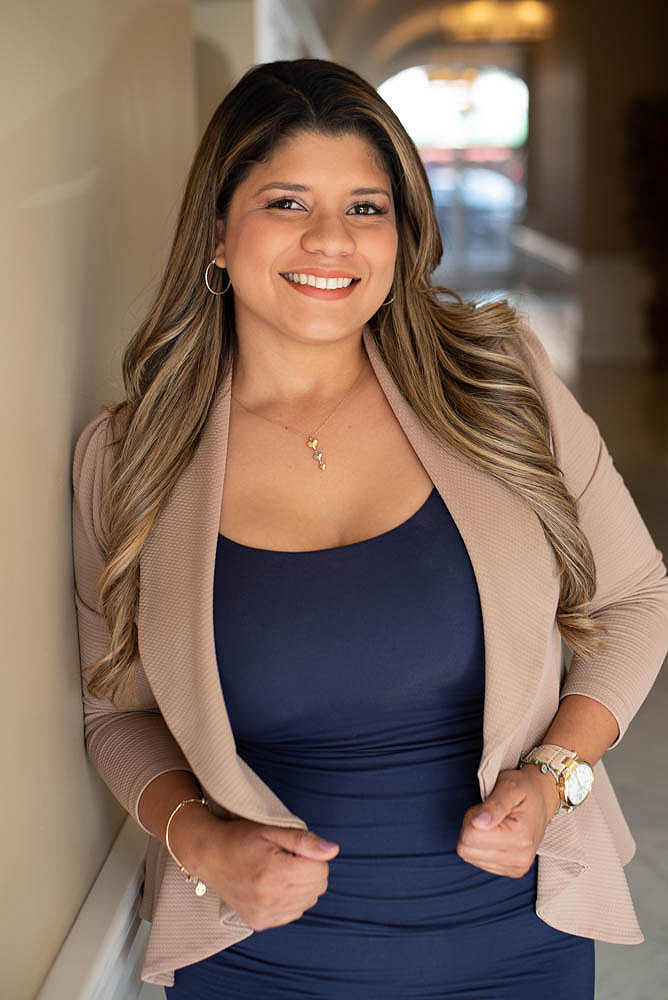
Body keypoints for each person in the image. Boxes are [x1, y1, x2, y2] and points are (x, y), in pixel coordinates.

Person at [71, 58, 668, 997]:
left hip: (516, 946)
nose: (330, 240)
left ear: (400, 234)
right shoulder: (131, 453)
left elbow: (637, 598)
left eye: (365, 208)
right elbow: (118, 714)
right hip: (261, 958)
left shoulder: (498, 381)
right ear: (218, 237)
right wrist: (204, 842)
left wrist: (555, 774)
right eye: (285, 201)